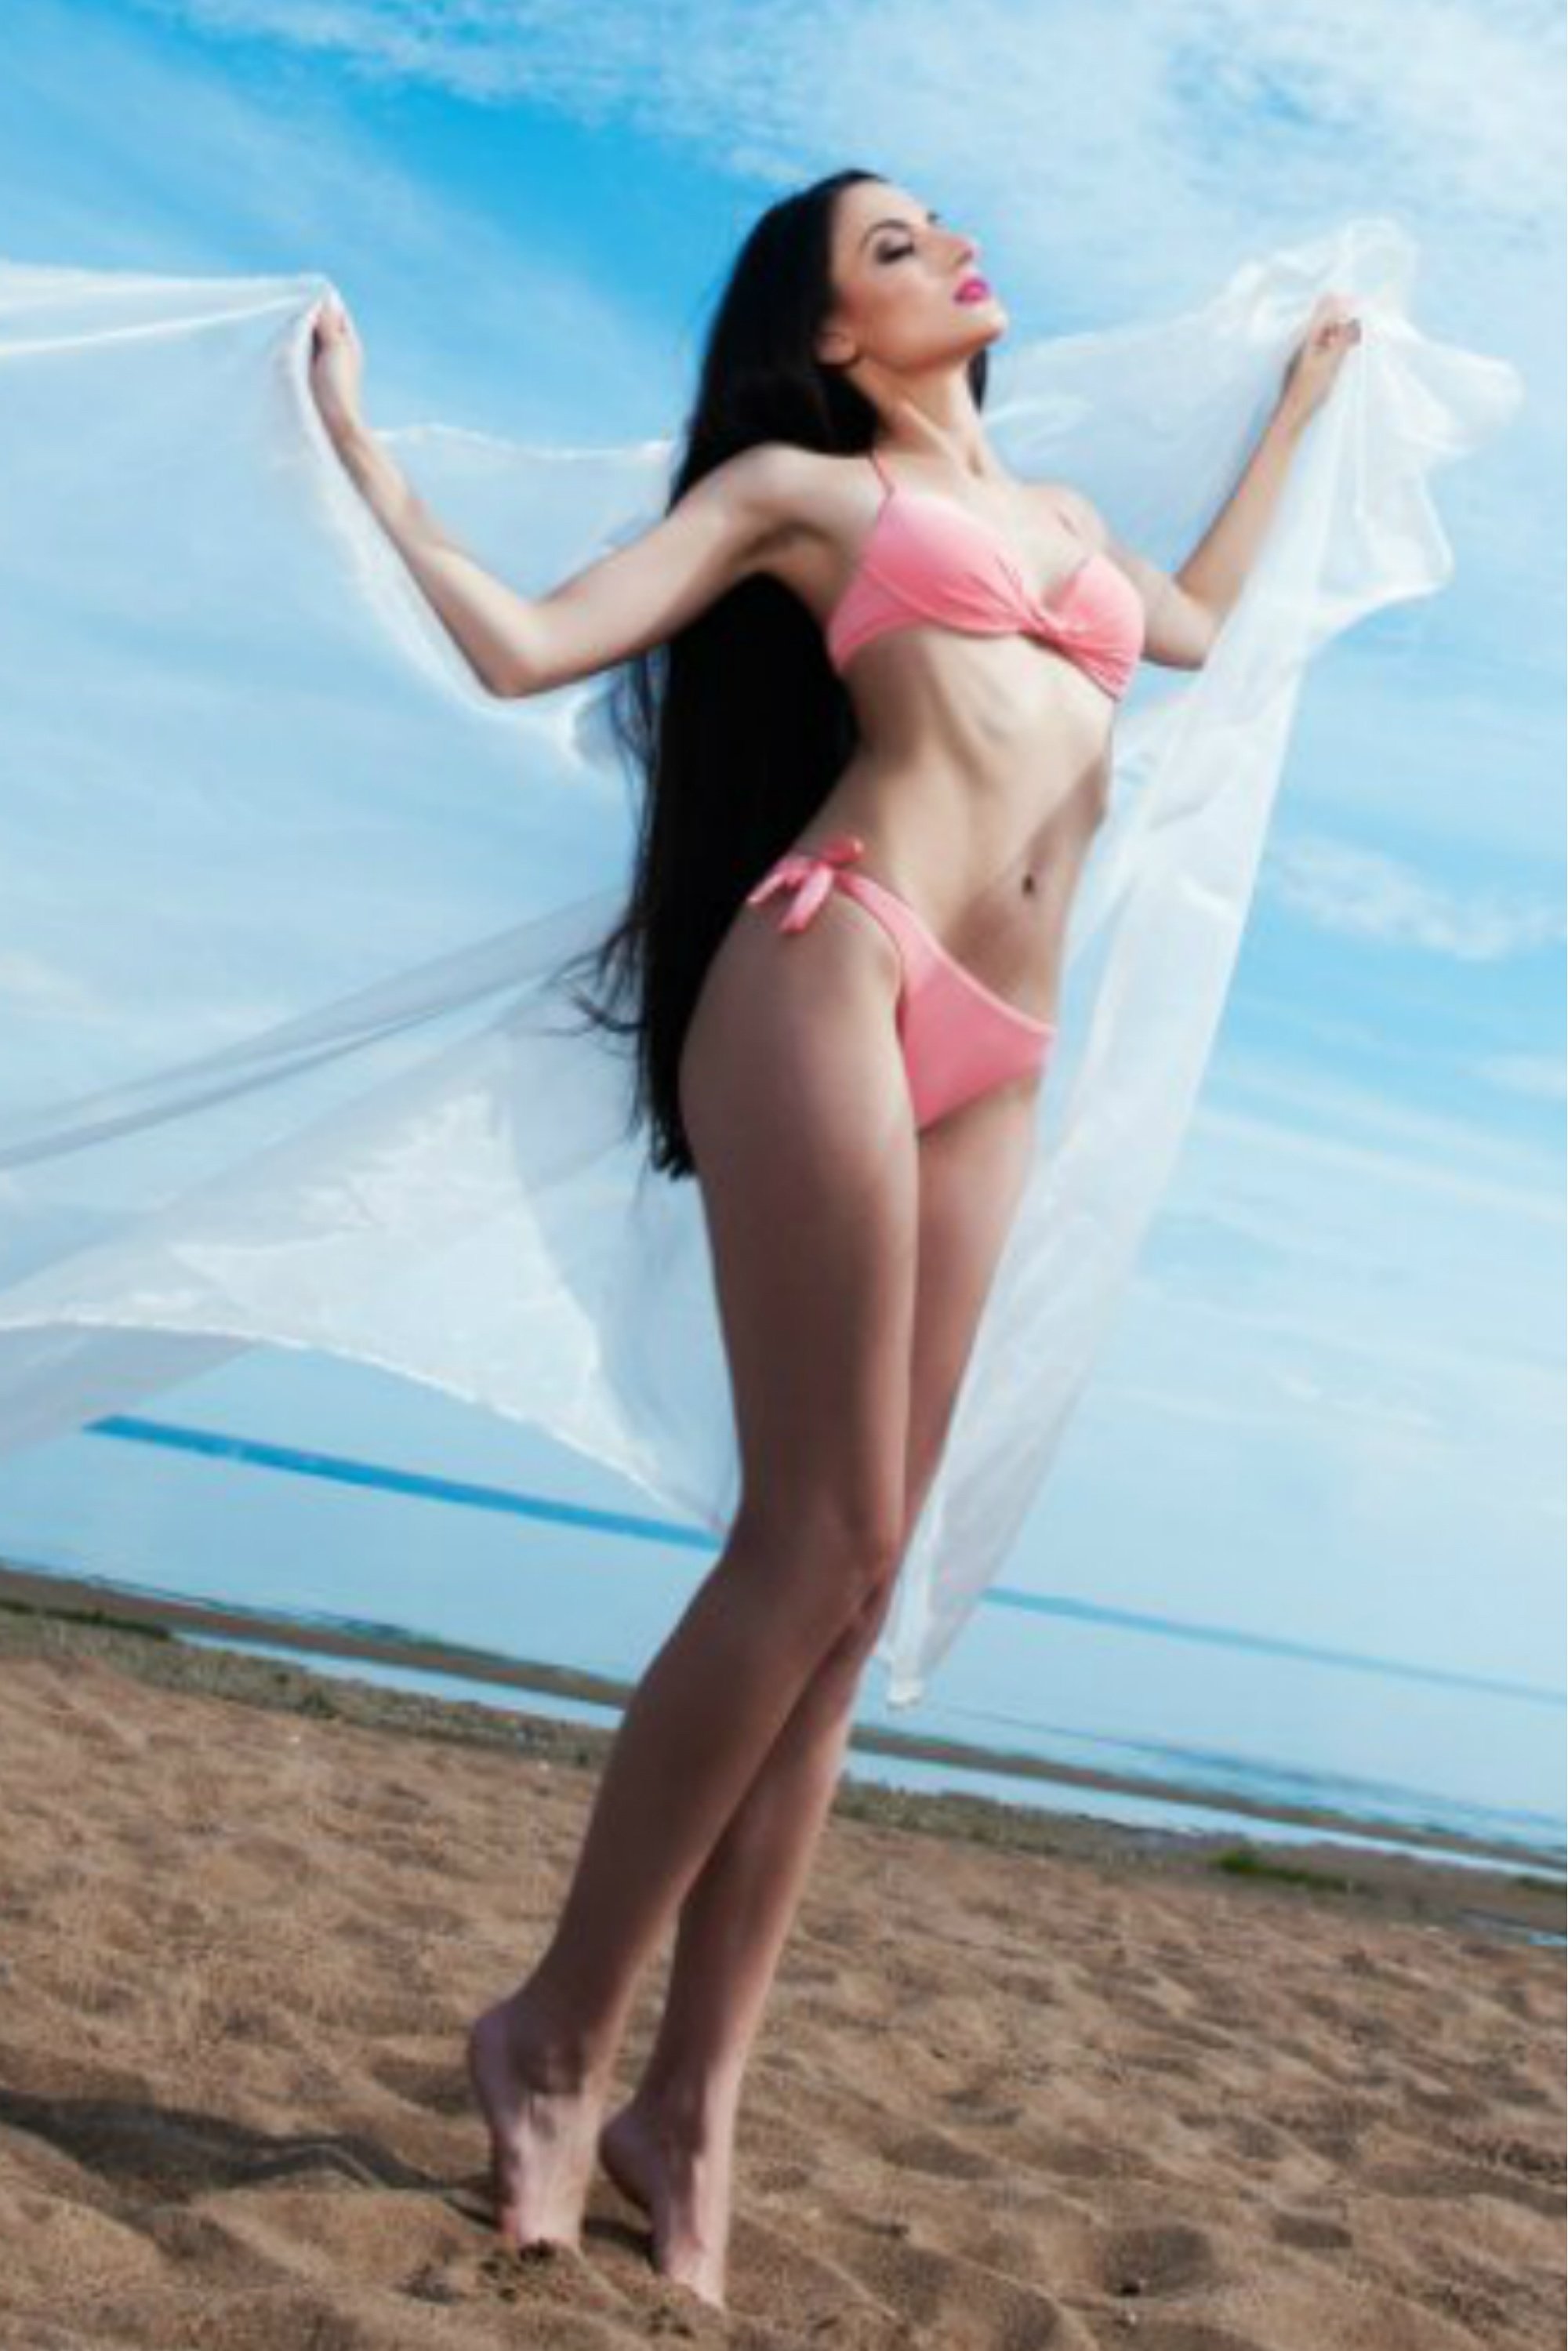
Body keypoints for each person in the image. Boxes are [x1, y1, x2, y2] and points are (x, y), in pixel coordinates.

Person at [307, 168, 1358, 2310]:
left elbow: (1199, 622)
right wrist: (359, 448)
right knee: (815, 1540)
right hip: (836, 968)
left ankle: (689, 2109)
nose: (950, 250)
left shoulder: (1065, 519)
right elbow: (527, 645)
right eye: (894, 247)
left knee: (857, 1600)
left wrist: (1300, 417)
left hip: (1001, 1050)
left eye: (942, 226)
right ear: (829, 334)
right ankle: (553, 2038)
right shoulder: (807, 493)